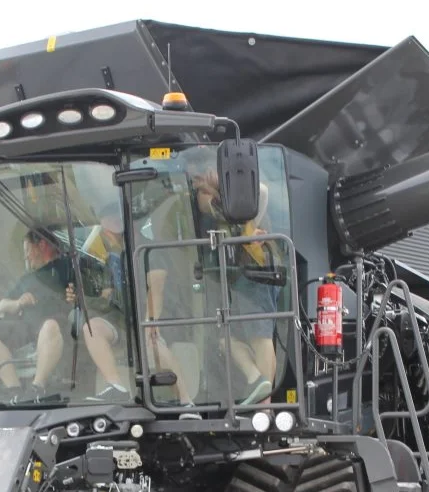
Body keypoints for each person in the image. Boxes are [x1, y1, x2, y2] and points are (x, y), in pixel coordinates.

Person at [71, 203, 196, 410]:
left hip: (153, 317)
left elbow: (156, 289)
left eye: (108, 228)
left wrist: (150, 322)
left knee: (153, 343)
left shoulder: (148, 250)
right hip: (122, 321)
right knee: (91, 328)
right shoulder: (111, 257)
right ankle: (115, 386)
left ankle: (185, 402)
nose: (104, 233)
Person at [185, 152, 279, 405]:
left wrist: (219, 183)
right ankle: (257, 381)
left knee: (261, 337)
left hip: (255, 269)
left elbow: (262, 191)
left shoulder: (240, 197)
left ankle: (264, 406)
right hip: (238, 275)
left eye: (197, 178)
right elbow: (209, 209)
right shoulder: (211, 203)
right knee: (229, 340)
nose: (195, 186)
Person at [0, 227, 72, 402]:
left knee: (49, 326)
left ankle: (37, 388)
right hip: (24, 328)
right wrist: (18, 302)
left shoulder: (66, 266)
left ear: (42, 245)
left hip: (56, 327)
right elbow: (1, 306)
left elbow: (79, 294)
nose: (25, 256)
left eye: (27, 250)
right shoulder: (26, 279)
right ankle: (14, 390)